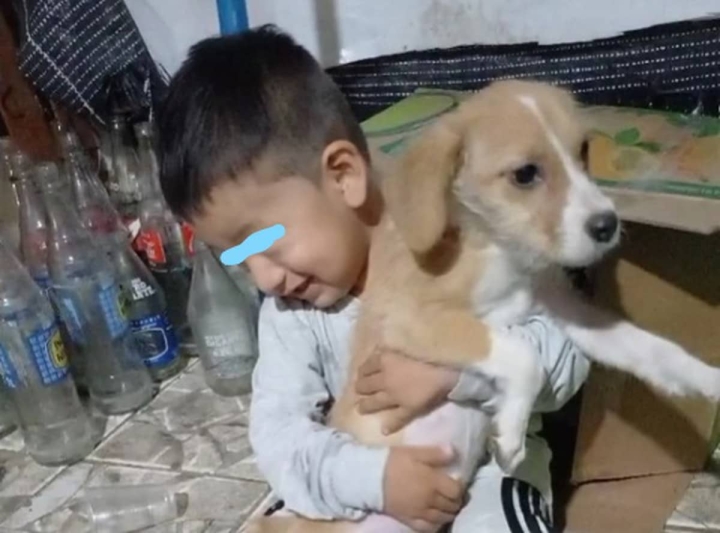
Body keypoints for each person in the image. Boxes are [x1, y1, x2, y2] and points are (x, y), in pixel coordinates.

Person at [156, 24, 590, 533]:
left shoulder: (457, 236)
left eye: (264, 243)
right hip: (362, 476)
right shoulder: (293, 314)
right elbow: (277, 434)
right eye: (239, 257)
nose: (265, 277)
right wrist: (371, 478)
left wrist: (458, 373)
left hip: (487, 473)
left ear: (343, 175)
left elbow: (566, 348)